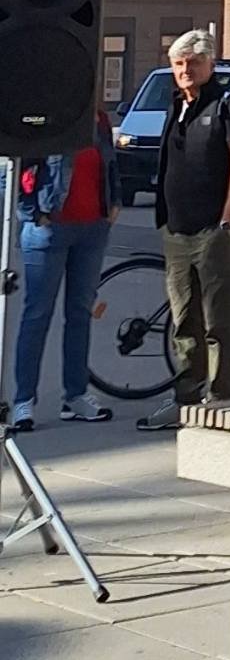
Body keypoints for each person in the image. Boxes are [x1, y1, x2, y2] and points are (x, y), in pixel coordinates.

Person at [138, 31, 230, 431]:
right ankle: (186, 398)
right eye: (178, 64)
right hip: (177, 229)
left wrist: (228, 221)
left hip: (214, 229)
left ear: (210, 64)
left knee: (217, 320)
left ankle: (222, 399)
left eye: (193, 62)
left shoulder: (229, 103)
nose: (185, 70)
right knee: (183, 319)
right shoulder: (178, 104)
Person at [9, 109, 120, 431]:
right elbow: (19, 167)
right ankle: (23, 400)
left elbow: (111, 163)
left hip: (93, 227)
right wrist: (32, 212)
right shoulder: (47, 117)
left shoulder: (99, 120)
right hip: (49, 227)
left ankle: (76, 396)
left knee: (80, 314)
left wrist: (114, 202)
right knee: (37, 314)